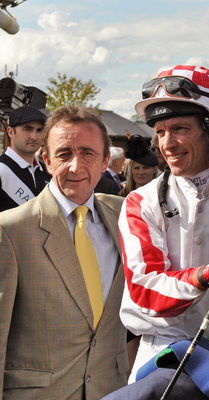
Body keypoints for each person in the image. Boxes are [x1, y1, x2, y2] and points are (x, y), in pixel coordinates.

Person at [116, 65, 209, 388]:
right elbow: (145, 291)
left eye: (180, 128)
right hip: (161, 355)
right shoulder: (140, 202)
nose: (167, 144)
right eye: (161, 132)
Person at [0, 105, 129, 399]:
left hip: (112, 391)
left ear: (105, 160)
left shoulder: (126, 217)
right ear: (46, 160)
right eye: (63, 154)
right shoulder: (10, 230)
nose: (75, 166)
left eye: (87, 153)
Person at [0, 105, 50, 212]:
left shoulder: (48, 171)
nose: (34, 136)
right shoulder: (2, 170)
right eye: (27, 129)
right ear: (10, 132)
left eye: (39, 130)